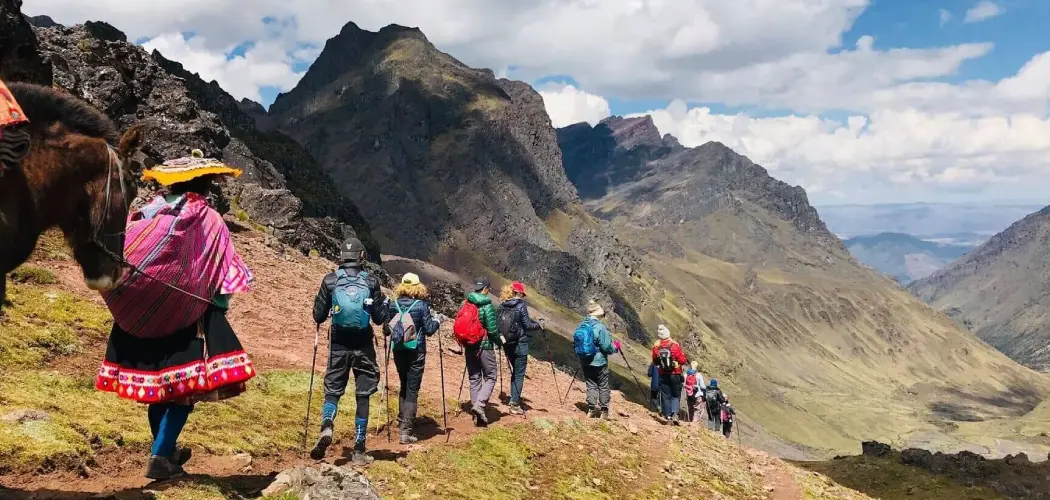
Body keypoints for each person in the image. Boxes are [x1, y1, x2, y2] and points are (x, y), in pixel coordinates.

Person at [95, 151, 254, 480]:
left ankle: (165, 450)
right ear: (202, 183)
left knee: (159, 384)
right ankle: (160, 454)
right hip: (185, 314)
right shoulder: (205, 217)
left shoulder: (144, 213)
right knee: (181, 390)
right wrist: (216, 309)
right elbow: (224, 268)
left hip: (139, 312)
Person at [310, 237, 388, 465]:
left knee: (333, 390)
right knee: (362, 394)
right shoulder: (371, 282)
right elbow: (379, 317)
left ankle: (327, 423)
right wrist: (385, 307)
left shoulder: (331, 280)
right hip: (363, 344)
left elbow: (318, 316)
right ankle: (360, 449)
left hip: (338, 343)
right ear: (362, 256)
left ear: (342, 256)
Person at [385, 273, 441, 444]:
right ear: (418, 287)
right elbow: (429, 329)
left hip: (399, 350)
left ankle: (402, 420)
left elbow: (387, 330)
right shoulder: (421, 306)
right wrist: (438, 320)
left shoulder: (394, 305)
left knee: (403, 384)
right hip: (416, 351)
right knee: (412, 389)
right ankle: (406, 431)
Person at [457, 277, 501, 427]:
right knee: (491, 376)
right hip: (484, 345)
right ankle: (480, 405)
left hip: (469, 345)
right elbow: (492, 330)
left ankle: (477, 416)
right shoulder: (487, 305)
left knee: (474, 377)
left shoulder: (465, 303)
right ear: (486, 289)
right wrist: (499, 342)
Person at [498, 281, 542, 414]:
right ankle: (515, 404)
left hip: (507, 343)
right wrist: (539, 325)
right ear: (519, 293)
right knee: (519, 373)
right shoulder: (521, 305)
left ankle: (513, 398)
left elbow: (497, 324)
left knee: (515, 371)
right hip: (520, 343)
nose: (523, 297)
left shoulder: (501, 305)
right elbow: (527, 325)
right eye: (522, 294)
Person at [573, 301, 621, 419]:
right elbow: (606, 347)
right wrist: (615, 347)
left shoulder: (582, 325)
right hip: (599, 361)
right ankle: (604, 412)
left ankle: (591, 409)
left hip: (585, 360)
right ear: (598, 315)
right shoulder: (600, 327)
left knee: (591, 384)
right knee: (603, 385)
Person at [651, 324, 689, 425]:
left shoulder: (656, 347)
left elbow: (655, 361)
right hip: (675, 373)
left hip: (663, 374)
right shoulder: (674, 345)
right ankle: (675, 414)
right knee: (675, 395)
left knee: (665, 395)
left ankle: (667, 416)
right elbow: (682, 360)